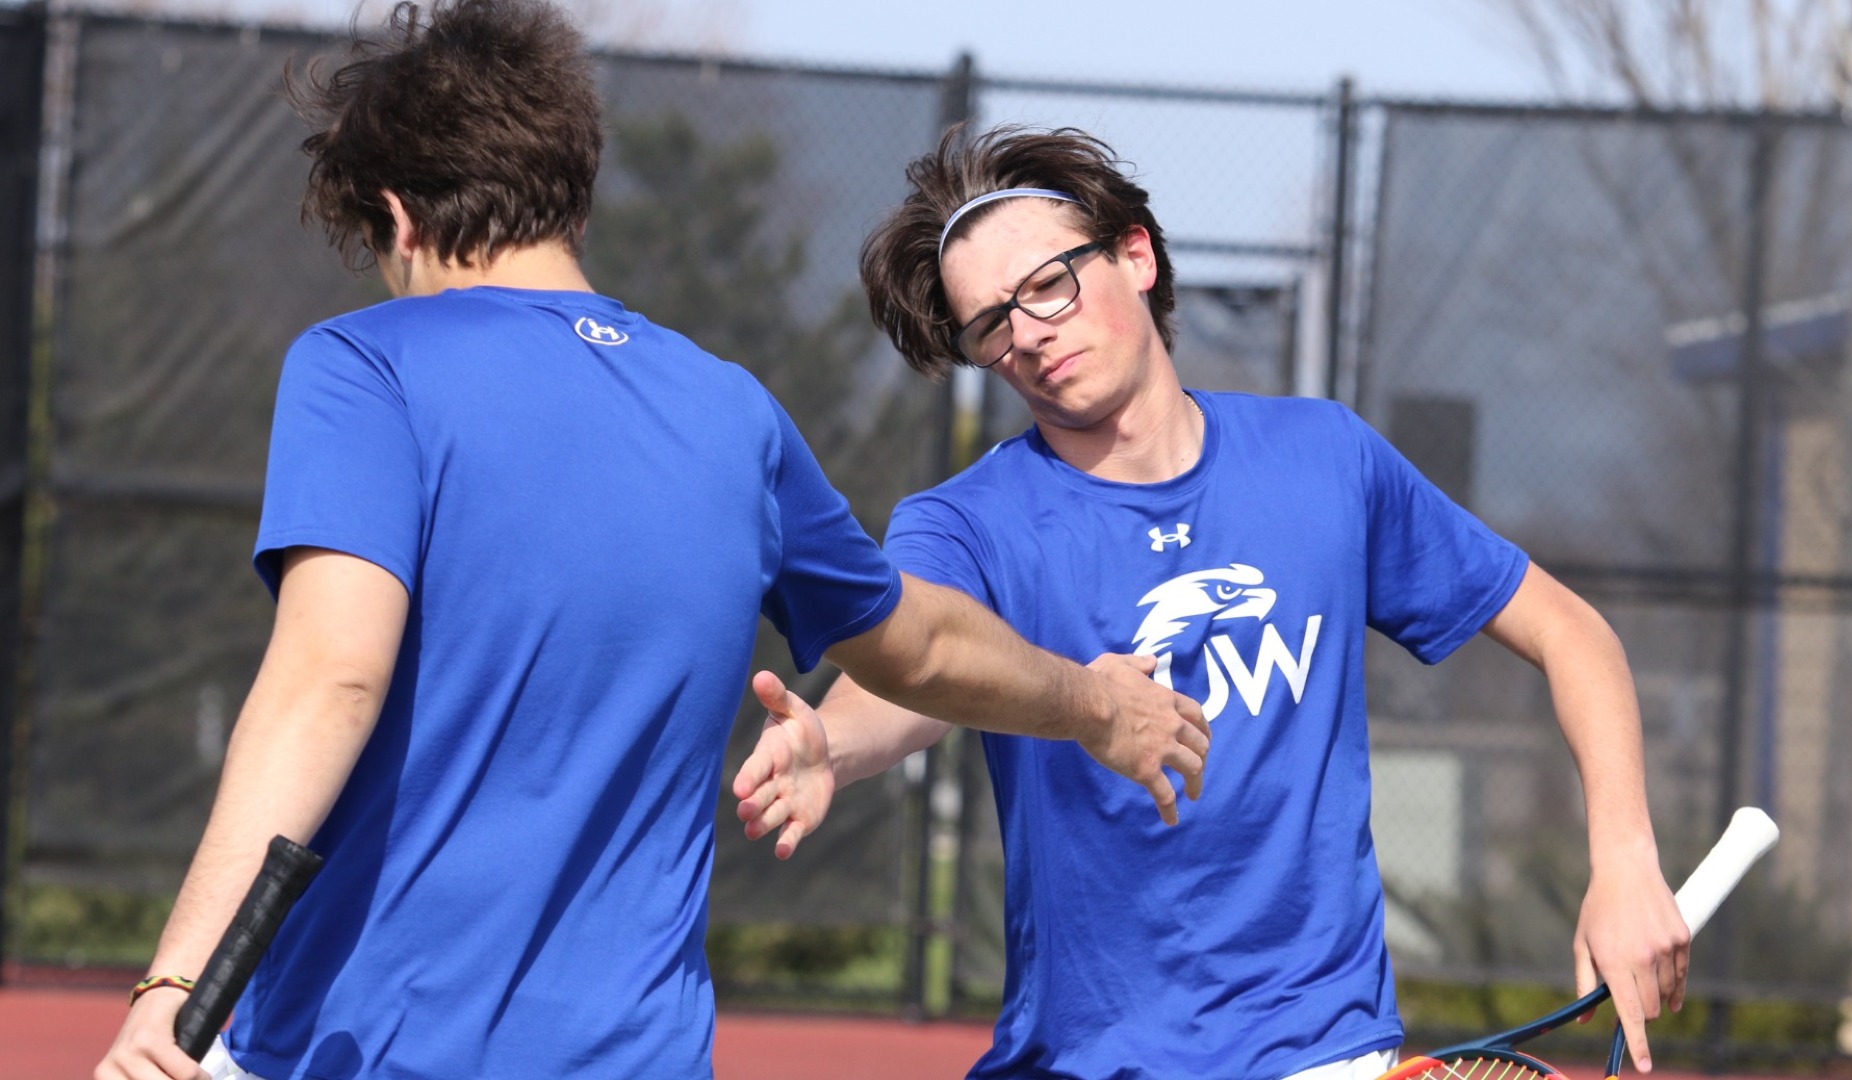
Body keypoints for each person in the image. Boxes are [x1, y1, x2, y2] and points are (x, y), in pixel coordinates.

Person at [94, 12, 1209, 1080]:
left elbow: (330, 676)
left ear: (398, 218)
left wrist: (176, 984)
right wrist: (1099, 707)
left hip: (369, 1051)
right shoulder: (731, 412)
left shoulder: (363, 365)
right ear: (572, 196)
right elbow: (915, 643)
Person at [732, 125, 1692, 1080]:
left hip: (1323, 1050)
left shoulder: (1327, 460)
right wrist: (832, 741)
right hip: (1076, 1060)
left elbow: (1571, 633)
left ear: (1135, 255)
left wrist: (1625, 862)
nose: (1027, 333)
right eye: (991, 324)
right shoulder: (963, 524)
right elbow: (919, 668)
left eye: (1047, 285)